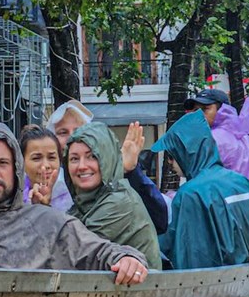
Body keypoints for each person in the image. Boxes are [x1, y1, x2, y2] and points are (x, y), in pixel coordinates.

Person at [0, 122, 149, 284]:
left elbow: (100, 252)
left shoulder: (50, 222)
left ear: (15, 168)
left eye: (2, 163)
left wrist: (127, 260)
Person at [151, 110, 249, 270]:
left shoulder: (190, 193)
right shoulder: (241, 181)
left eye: (172, 156)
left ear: (184, 153)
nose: (171, 164)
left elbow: (186, 254)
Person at [46, 100, 168, 234]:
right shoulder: (50, 182)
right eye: (63, 132)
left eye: (78, 130)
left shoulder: (115, 194)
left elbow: (159, 219)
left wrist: (128, 171)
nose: (72, 137)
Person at [184, 89, 249, 236]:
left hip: (236, 217)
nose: (199, 115)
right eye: (196, 110)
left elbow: (200, 182)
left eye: (205, 109)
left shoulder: (215, 139)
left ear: (222, 111)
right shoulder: (241, 135)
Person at [65, 122, 162, 269]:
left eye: (92, 156)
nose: (82, 166)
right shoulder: (87, 201)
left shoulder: (119, 202)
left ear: (107, 159)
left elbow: (71, 252)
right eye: (74, 159)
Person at [18, 125, 64, 208]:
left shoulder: (73, 195)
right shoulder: (13, 199)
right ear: (22, 161)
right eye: (36, 158)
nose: (45, 166)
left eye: (51, 157)